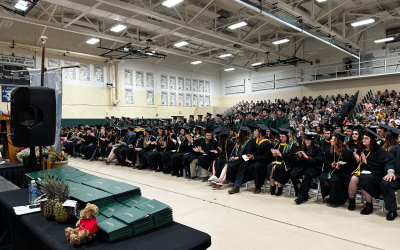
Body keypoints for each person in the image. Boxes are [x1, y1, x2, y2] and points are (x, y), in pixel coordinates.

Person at [347, 129, 387, 214]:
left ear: (372, 141)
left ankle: (369, 204)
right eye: (363, 138)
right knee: (353, 179)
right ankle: (351, 201)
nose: (363, 140)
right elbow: (357, 165)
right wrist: (357, 160)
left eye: (366, 139)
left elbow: (382, 166)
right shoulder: (361, 150)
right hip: (362, 172)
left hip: (376, 174)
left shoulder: (380, 151)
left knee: (364, 179)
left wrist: (367, 162)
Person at [228, 124, 273, 194]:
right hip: (252, 160)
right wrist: (249, 156)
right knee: (243, 166)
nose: (255, 131)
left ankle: (258, 186)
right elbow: (249, 151)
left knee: (256, 166)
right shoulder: (253, 141)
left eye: (256, 131)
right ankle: (237, 185)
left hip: (262, 162)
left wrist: (254, 158)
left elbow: (266, 158)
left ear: (260, 133)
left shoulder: (267, 144)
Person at [320, 132, 355, 205]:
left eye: (333, 139)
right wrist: (331, 165)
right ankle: (330, 196)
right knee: (323, 177)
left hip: (342, 173)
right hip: (331, 171)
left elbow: (350, 166)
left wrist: (341, 167)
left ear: (338, 141)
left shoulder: (347, 152)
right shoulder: (329, 151)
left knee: (335, 179)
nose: (331, 141)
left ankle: (338, 200)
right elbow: (325, 162)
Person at [290, 132, 324, 204]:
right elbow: (297, 159)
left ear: (312, 141)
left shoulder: (318, 148)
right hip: (304, 166)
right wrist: (298, 157)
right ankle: (299, 192)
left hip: (314, 167)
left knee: (308, 175)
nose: (307, 142)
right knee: (293, 174)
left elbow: (319, 160)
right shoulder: (303, 147)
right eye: (306, 140)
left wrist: (307, 157)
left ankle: (302, 196)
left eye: (308, 141)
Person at [268, 128, 298, 196]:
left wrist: (281, 154)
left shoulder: (292, 145)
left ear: (287, 137)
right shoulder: (278, 144)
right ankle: (272, 186)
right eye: (280, 137)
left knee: (277, 167)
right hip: (277, 162)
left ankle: (279, 187)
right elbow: (273, 156)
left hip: (286, 164)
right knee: (270, 166)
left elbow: (292, 156)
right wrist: (273, 153)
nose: (281, 138)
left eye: (283, 137)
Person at [381, 127, 400, 220]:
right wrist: (391, 172)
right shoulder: (395, 148)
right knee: (386, 183)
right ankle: (392, 210)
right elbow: (390, 162)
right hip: (398, 176)